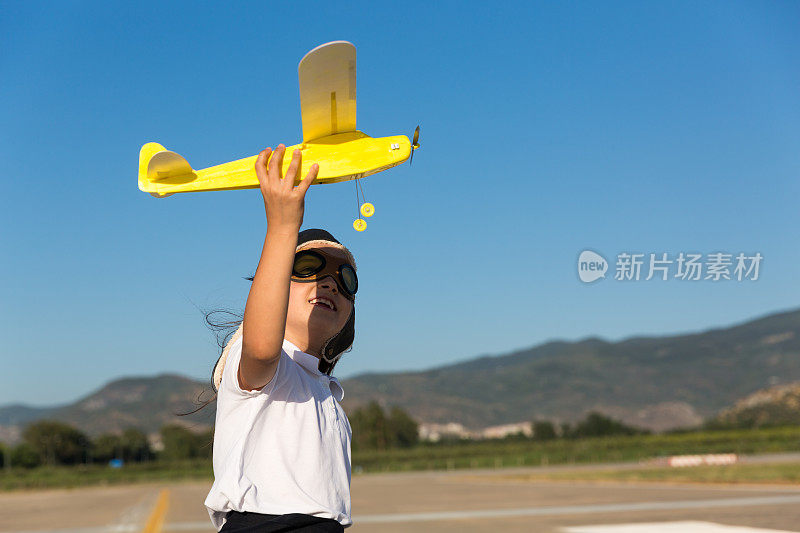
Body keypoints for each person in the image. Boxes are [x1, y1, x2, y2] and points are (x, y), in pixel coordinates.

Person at [204, 144, 356, 532]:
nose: (330, 282)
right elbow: (262, 346)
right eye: (308, 266)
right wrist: (283, 227)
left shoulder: (325, 391)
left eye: (346, 279)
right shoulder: (259, 362)